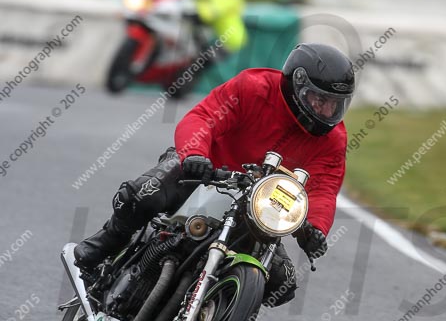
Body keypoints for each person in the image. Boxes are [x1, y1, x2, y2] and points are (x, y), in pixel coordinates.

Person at [74, 43, 355, 306]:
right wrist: (196, 154)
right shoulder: (253, 87)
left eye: (334, 104)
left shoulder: (334, 139)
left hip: (258, 208)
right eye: (319, 100)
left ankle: (214, 316)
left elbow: (323, 187)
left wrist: (316, 228)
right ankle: (104, 245)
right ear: (297, 86)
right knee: (142, 195)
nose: (326, 110)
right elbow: (203, 118)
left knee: (282, 285)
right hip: (205, 173)